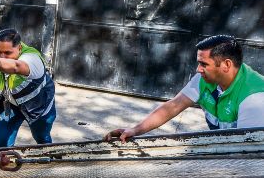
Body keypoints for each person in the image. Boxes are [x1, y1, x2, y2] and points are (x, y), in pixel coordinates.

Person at [105, 35, 264, 142]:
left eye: (203, 64)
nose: (198, 69)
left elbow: (245, 150)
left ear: (226, 65)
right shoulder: (205, 78)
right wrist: (135, 130)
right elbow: (174, 105)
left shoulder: (254, 98)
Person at [0, 28, 56, 147]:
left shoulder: (32, 58)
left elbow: (16, 66)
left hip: (38, 107)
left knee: (42, 138)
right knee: (2, 143)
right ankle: (9, 164)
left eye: (8, 53)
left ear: (19, 48)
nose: (3, 56)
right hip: (10, 105)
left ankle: (51, 157)